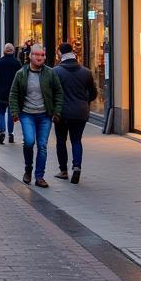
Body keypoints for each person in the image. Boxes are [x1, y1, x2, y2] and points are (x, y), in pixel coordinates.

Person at [9, 43, 64, 188]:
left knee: (42, 146)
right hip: (27, 114)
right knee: (28, 141)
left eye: (42, 55)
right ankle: (28, 168)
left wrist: (57, 111)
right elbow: (13, 94)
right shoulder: (21, 74)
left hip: (45, 115)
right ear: (30, 56)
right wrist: (15, 112)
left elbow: (59, 92)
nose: (40, 58)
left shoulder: (50, 73)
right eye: (37, 55)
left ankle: (39, 176)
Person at [53, 42, 98, 183]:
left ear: (60, 53)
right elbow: (93, 93)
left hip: (61, 113)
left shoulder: (56, 72)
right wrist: (85, 102)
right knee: (76, 140)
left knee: (61, 141)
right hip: (80, 112)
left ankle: (63, 170)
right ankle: (77, 166)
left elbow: (51, 93)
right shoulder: (86, 72)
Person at [0, 44, 21, 144]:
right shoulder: (17, 63)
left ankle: (2, 131)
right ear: (13, 51)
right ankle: (11, 133)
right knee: (11, 113)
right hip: (13, 93)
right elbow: (21, 78)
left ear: (4, 51)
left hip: (0, 91)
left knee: (1, 112)